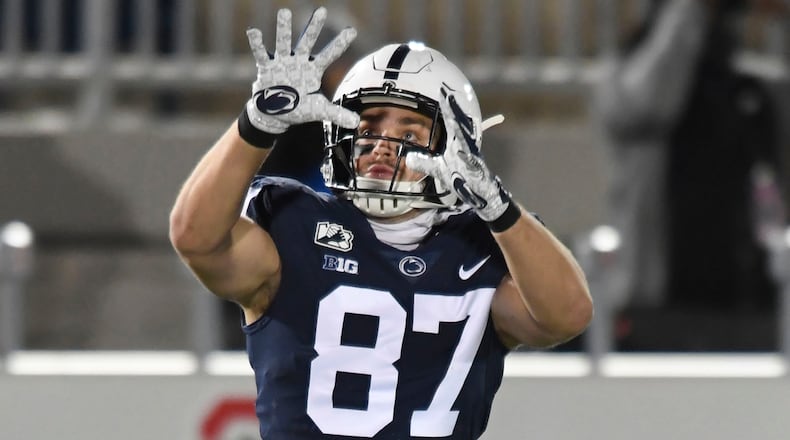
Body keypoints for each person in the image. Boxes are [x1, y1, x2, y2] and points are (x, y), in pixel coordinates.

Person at [170, 7, 592, 439]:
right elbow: (196, 239)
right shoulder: (296, 224)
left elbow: (567, 316)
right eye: (368, 127)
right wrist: (255, 126)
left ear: (457, 145)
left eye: (409, 134)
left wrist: (500, 210)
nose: (382, 147)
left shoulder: (480, 246)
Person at [594, 0, 786, 350]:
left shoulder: (750, 93)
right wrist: (690, 9)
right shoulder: (626, 82)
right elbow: (649, 101)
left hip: (743, 301)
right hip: (657, 303)